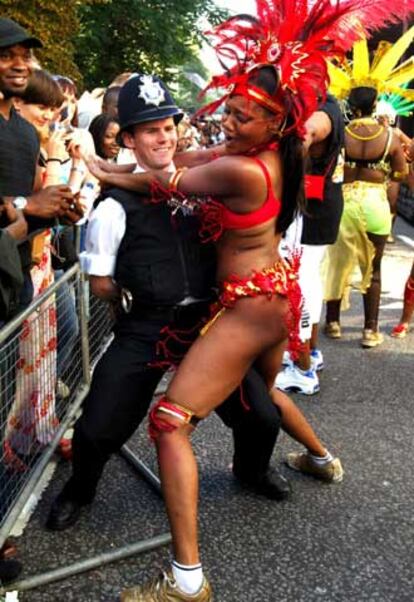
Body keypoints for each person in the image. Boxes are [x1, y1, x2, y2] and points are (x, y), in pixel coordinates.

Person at [86, 0, 360, 593]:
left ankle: (187, 581)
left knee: (169, 421)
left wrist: (106, 171)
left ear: (274, 124)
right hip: (273, 300)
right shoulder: (268, 154)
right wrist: (148, 160)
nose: (229, 124)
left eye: (242, 117)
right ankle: (321, 458)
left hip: (248, 307)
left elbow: (164, 177)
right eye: (228, 112)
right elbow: (192, 156)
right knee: (259, 396)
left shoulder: (244, 171)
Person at [46, 73, 291, 534]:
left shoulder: (204, 177)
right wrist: (131, 307)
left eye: (168, 126)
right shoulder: (114, 206)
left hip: (209, 323)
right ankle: (80, 489)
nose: (165, 136)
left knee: (260, 415)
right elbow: (100, 282)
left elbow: (187, 176)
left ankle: (252, 470)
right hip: (149, 325)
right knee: (99, 424)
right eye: (151, 129)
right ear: (131, 138)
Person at [325, 34, 411, 347]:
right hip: (375, 205)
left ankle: (333, 323)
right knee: (373, 270)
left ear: (350, 104)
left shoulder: (340, 133)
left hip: (344, 203)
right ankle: (370, 331)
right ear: (375, 104)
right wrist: (388, 170)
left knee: (336, 264)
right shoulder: (389, 134)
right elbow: (401, 172)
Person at [276, 94, 344, 395]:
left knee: (300, 284)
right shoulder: (323, 105)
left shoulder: (323, 109)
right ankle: (307, 354)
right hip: (315, 207)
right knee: (307, 281)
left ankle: (301, 368)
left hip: (311, 209)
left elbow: (306, 134)